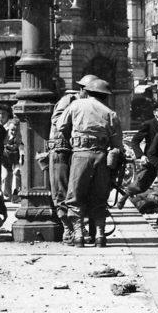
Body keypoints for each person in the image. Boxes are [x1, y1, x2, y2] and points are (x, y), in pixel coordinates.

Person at [58, 77, 124, 247]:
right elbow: (117, 144)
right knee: (99, 196)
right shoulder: (110, 113)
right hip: (102, 156)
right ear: (105, 95)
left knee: (75, 196)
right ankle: (100, 236)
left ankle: (79, 235)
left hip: (80, 154)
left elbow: (61, 126)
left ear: (87, 91)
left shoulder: (76, 105)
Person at [47, 77, 95, 243]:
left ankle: (77, 227)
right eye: (90, 92)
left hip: (76, 149)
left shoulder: (88, 103)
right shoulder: (69, 100)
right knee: (61, 189)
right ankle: (68, 229)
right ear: (82, 89)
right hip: (61, 149)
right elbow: (57, 121)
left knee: (77, 190)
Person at [128, 102, 158, 194]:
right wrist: (141, 156)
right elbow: (135, 141)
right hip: (151, 160)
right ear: (155, 113)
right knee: (140, 186)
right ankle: (125, 197)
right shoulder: (149, 124)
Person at [0, 103, 20, 203]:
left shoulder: (12, 124)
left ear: (8, 114)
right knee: (4, 174)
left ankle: (14, 194)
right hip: (1, 153)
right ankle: (6, 194)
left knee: (14, 173)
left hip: (13, 152)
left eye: (3, 113)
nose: (1, 116)